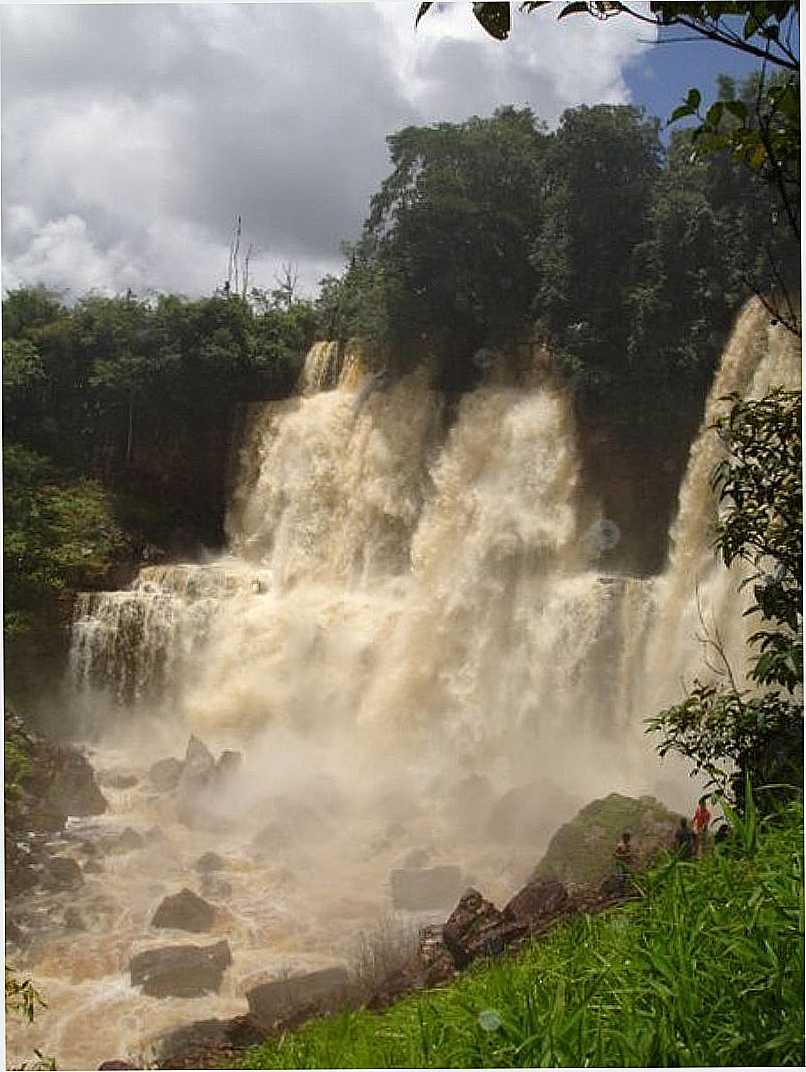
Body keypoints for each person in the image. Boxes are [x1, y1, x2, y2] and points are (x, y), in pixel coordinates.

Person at [613, 831, 633, 895]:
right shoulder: (620, 845)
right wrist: (623, 856)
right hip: (620, 863)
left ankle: (625, 891)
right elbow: (615, 854)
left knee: (626, 877)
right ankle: (620, 891)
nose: (628, 839)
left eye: (628, 838)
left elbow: (630, 854)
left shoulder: (628, 845)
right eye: (627, 837)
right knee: (621, 877)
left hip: (626, 863)